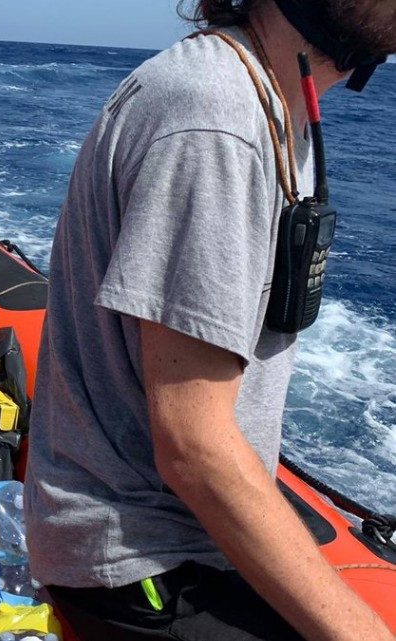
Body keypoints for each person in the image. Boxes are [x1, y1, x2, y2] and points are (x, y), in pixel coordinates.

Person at [23, 0, 396, 639]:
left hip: (181, 540)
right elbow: (194, 448)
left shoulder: (268, 98)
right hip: (146, 563)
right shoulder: (215, 118)